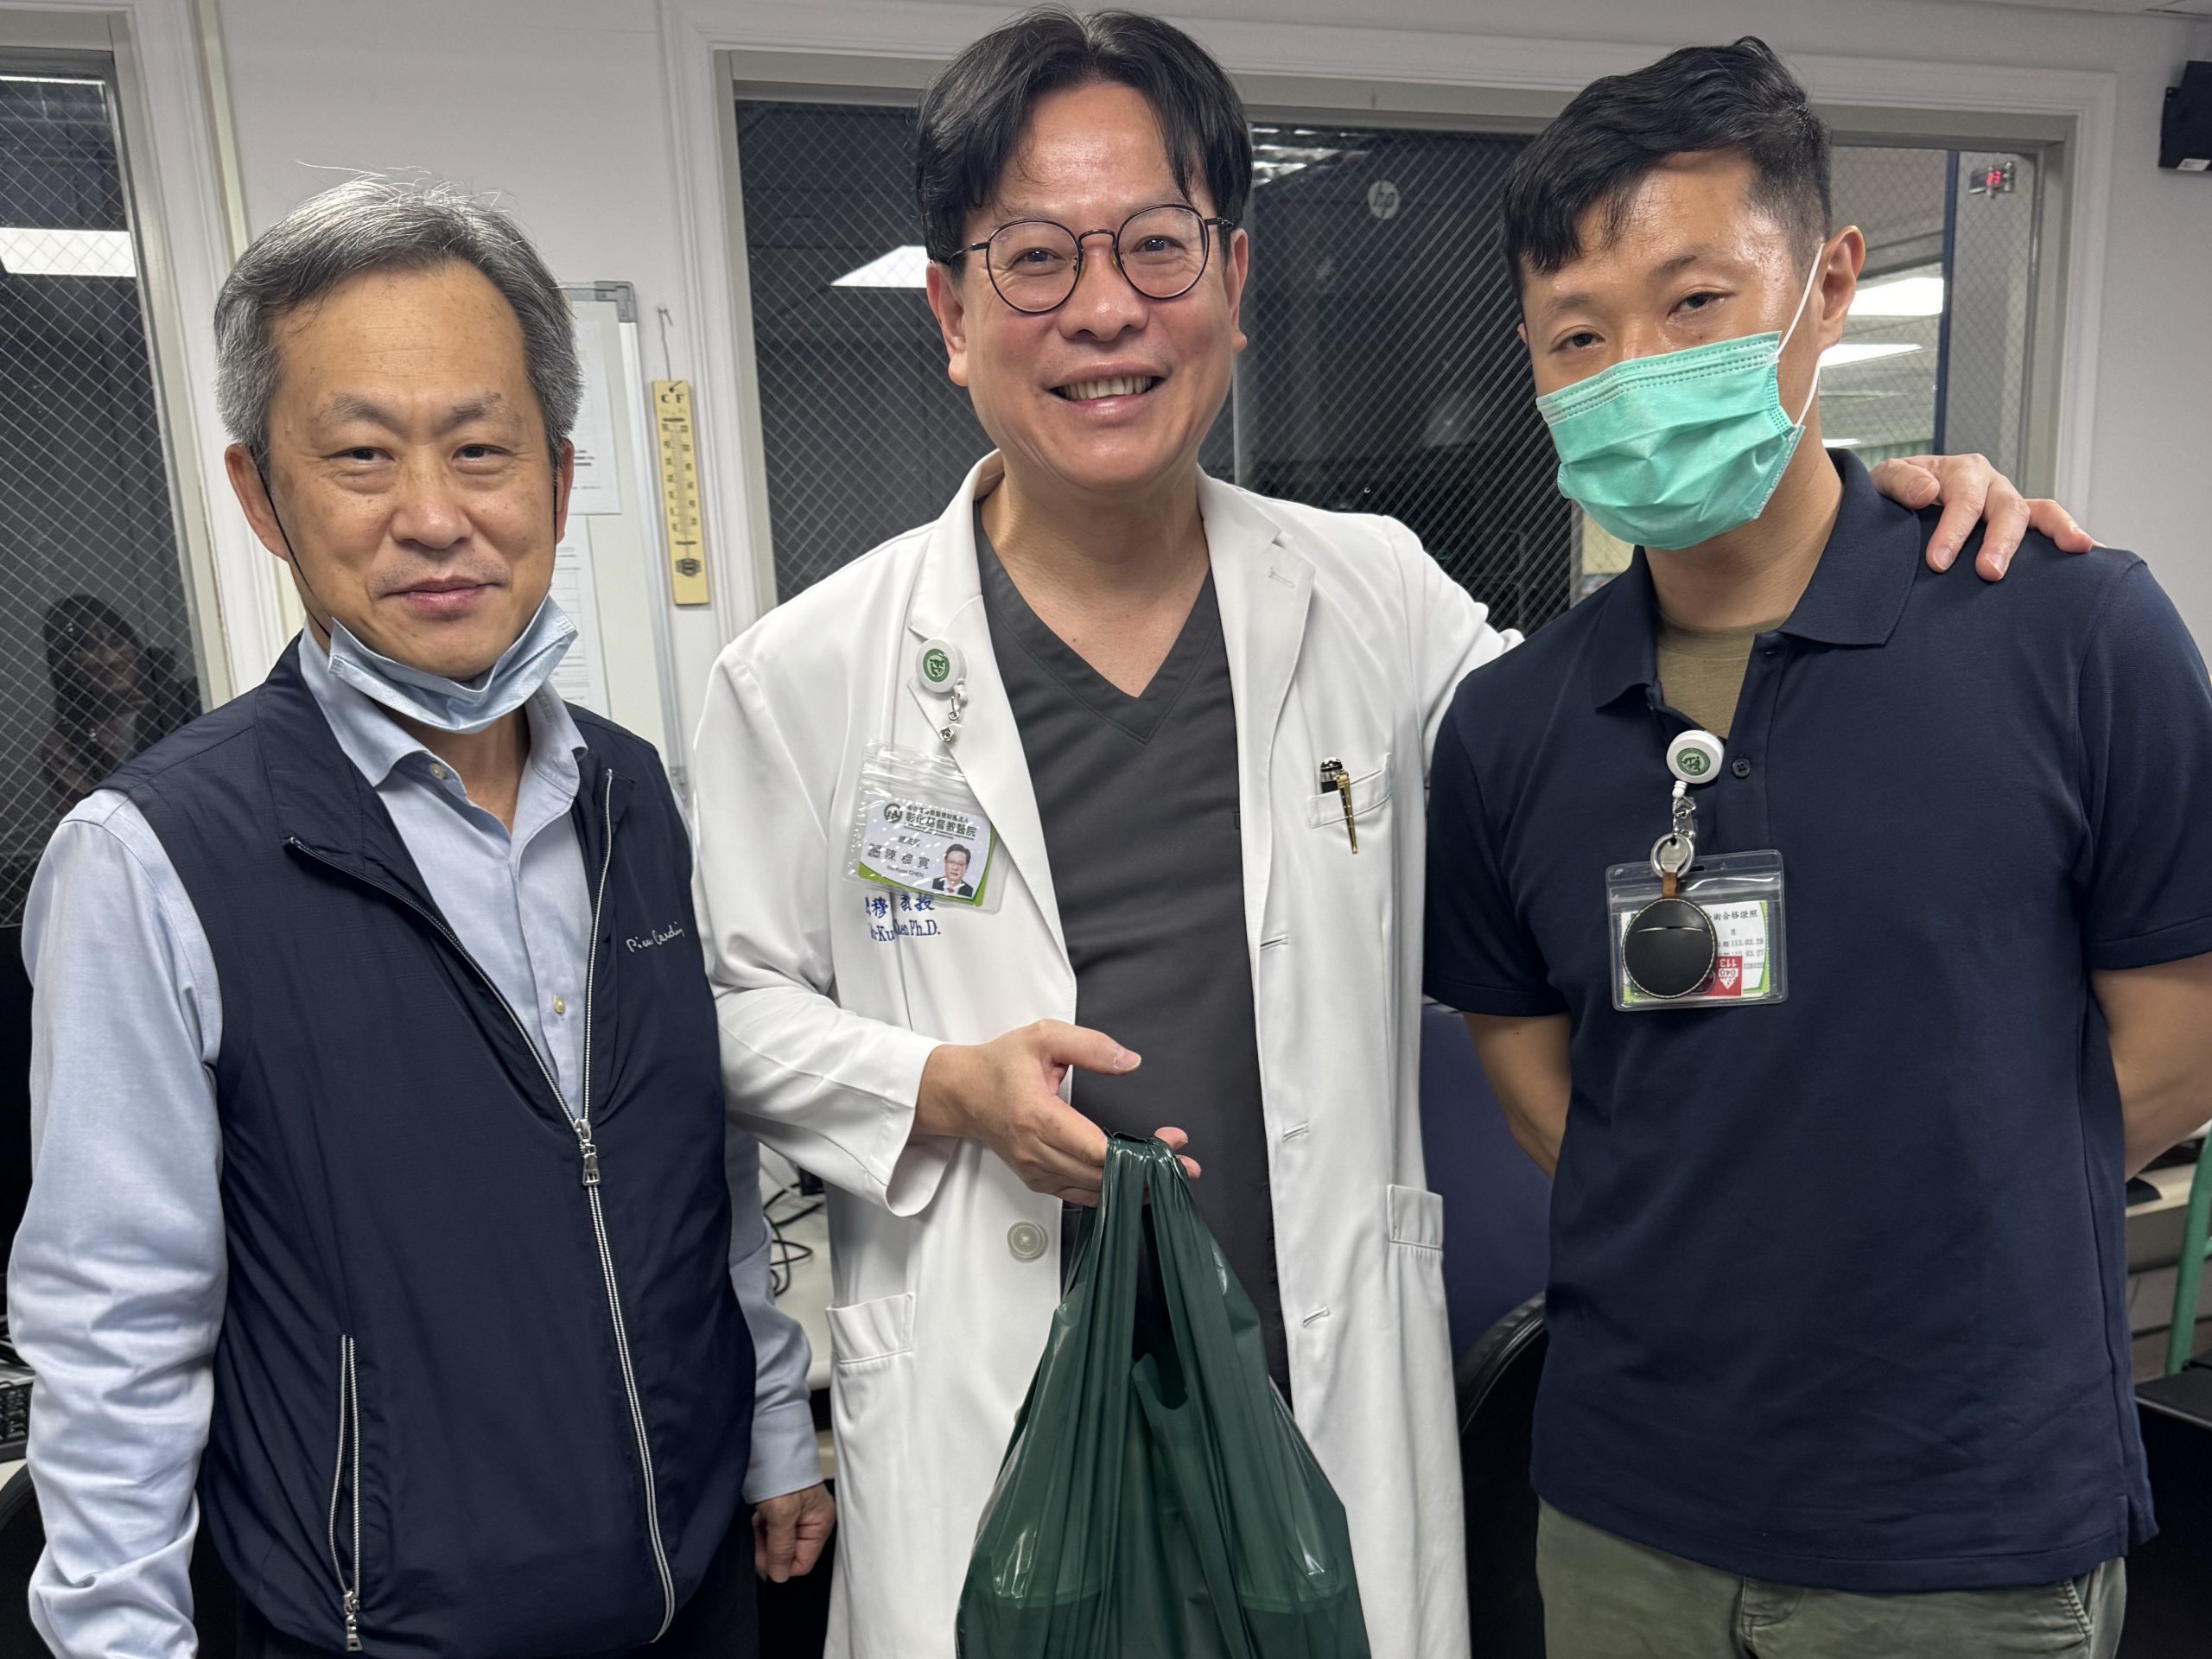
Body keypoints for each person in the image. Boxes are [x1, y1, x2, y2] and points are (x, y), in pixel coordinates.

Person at [690, 12, 2083, 1656]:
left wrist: (1847, 525)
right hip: (1005, 1431)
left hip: (1315, 1419)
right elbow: (727, 1011)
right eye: (1036, 259)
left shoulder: (1379, 598)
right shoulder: (807, 674)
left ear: (1234, 274)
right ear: (949, 311)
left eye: (1156, 244)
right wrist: (936, 1087)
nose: (1106, 309)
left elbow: (1622, 745)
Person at [1424, 39, 2212, 1659]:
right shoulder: (1509, 724)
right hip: (1626, 1510)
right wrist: (1724, 1213)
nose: (1636, 367)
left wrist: (1925, 1211)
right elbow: (1530, 1073)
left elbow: (2184, 1034)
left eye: (1695, 303)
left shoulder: (2074, 636)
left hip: (1966, 1521)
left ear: (1830, 285)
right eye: (1580, 335)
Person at [7, 178, 831, 1659]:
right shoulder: (151, 860)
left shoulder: (634, 795)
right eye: (362, 457)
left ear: (559, 484)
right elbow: (113, 1324)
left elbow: (699, 1170)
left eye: (480, 448)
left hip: (693, 1591)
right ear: (260, 495)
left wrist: (774, 1426)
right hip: (380, 1631)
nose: (436, 517)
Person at [36, 594, 199, 818]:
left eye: (116, 643)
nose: (110, 659)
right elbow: (95, 824)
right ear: (68, 664)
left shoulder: (186, 698)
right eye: (89, 648)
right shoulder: (65, 747)